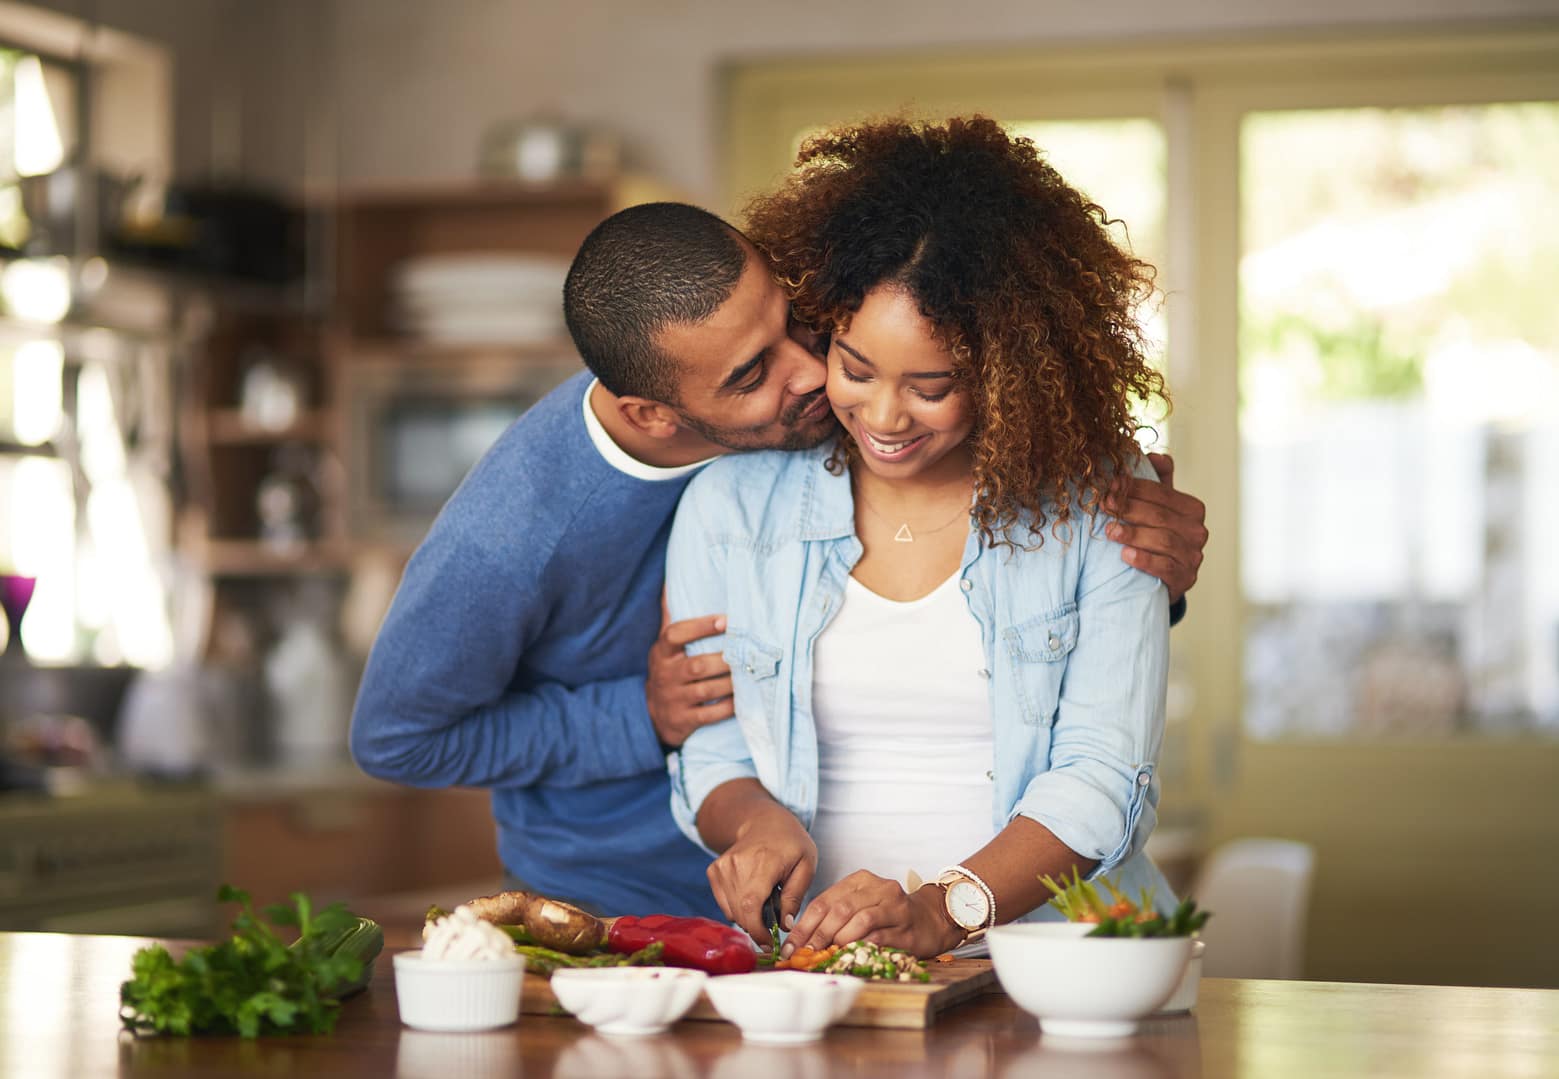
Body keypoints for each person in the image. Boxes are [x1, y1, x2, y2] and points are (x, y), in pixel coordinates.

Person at [350, 196, 1208, 917]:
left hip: (825, 918)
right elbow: (399, 740)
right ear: (656, 414)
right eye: (753, 372)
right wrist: (640, 716)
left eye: (798, 322)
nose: (811, 374)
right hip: (620, 894)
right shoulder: (513, 532)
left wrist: (1134, 570)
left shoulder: (820, 405)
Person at [664, 116, 1178, 958]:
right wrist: (752, 821)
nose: (884, 417)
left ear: (1007, 372)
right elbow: (710, 741)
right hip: (828, 974)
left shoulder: (1103, 499)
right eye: (854, 369)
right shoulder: (730, 507)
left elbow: (1102, 776)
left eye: (931, 385)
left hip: (1061, 969)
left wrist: (941, 910)